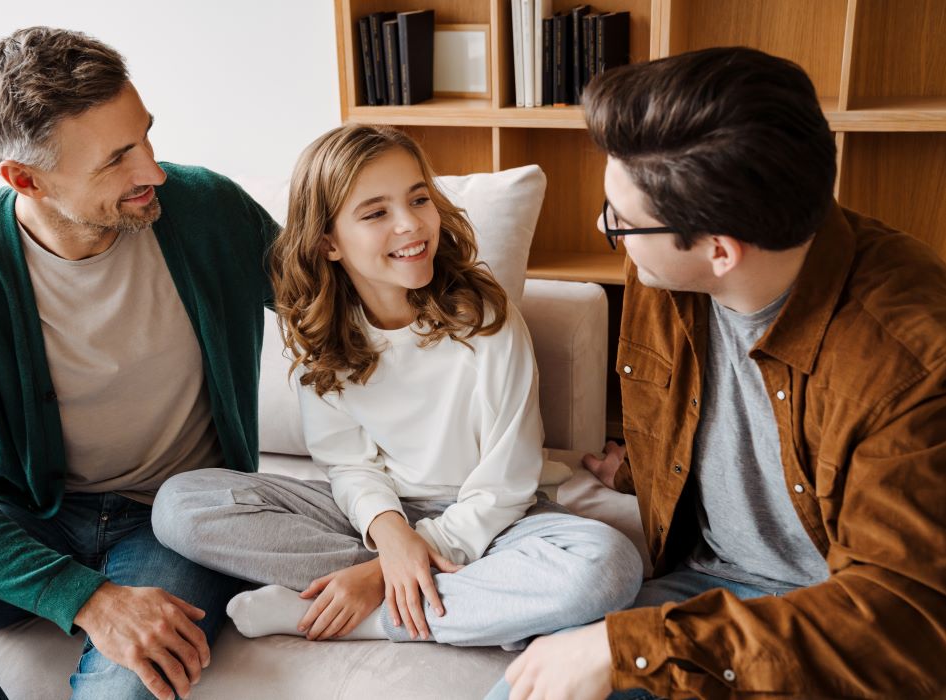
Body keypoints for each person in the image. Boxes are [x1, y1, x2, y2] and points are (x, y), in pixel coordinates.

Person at [491, 46, 946, 700]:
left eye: (619, 222)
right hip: (702, 591)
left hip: (833, 633)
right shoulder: (664, 266)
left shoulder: (911, 362)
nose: (604, 228)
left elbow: (902, 625)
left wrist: (628, 648)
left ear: (719, 250)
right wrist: (634, 472)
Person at [151, 124, 643, 649]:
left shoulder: (485, 318)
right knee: (180, 504)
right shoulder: (322, 333)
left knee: (607, 567)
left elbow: (506, 483)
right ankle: (461, 601)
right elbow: (348, 464)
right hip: (371, 517)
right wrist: (390, 536)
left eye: (418, 199)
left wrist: (382, 570)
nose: (410, 224)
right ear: (328, 242)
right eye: (376, 213)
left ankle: (360, 609)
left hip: (496, 519)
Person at [0, 27, 279, 700]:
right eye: (116, 160)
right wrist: (87, 599)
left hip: (177, 517)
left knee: (126, 689)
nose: (152, 172)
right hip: (34, 516)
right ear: (25, 179)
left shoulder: (208, 210)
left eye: (146, 137)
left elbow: (338, 306)